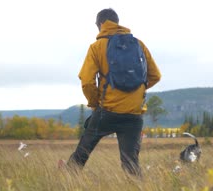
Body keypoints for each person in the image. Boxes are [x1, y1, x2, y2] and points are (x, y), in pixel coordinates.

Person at [65, 8, 161, 177]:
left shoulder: (96, 47)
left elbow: (87, 82)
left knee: (82, 151)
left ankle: (66, 180)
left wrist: (95, 104)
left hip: (107, 112)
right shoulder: (138, 44)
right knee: (131, 163)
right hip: (134, 114)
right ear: (117, 22)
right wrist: (134, 92)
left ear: (101, 24)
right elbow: (155, 75)